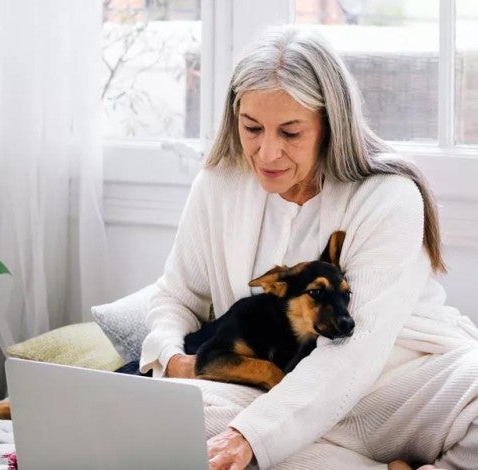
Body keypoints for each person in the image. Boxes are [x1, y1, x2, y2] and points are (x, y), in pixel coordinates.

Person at [138, 26, 478, 470]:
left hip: (396, 387)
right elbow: (177, 296)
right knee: (167, 420)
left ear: (330, 126)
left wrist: (250, 436)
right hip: (268, 390)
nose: (267, 152)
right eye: (252, 128)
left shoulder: (389, 196)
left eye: (291, 133)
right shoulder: (218, 184)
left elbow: (357, 347)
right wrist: (171, 359)